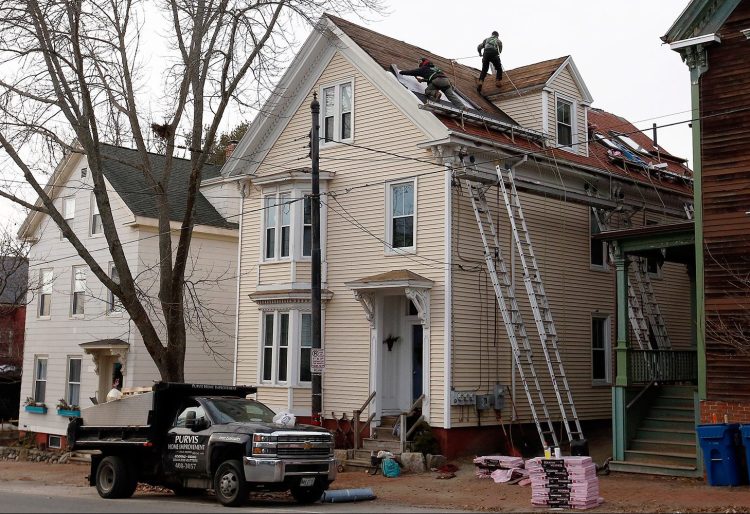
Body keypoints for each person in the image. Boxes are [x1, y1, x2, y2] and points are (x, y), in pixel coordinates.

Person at [399, 58, 464, 109]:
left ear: (422, 63)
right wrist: (422, 80)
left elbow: (412, 72)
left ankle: (436, 94)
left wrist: (401, 72)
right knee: (451, 96)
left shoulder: (423, 69)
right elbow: (432, 76)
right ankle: (462, 107)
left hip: (437, 81)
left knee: (428, 90)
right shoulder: (435, 68)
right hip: (447, 81)